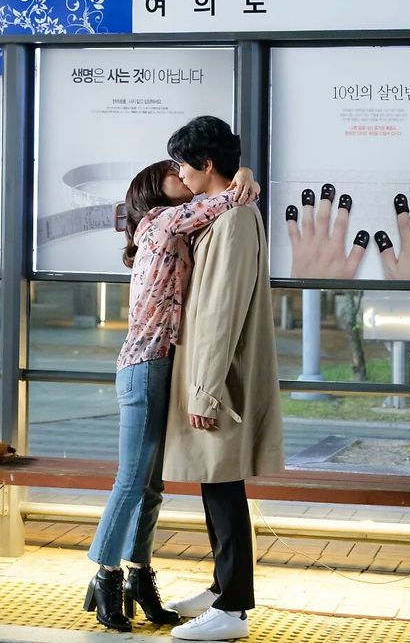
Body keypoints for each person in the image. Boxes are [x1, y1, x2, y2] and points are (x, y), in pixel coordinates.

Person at [83, 158, 259, 633]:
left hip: (164, 366)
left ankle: (139, 576)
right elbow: (225, 200)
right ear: (152, 189)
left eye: (183, 169)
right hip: (143, 367)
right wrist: (244, 177)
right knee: (132, 479)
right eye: (172, 172)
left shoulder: (178, 227)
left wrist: (240, 176)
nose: (182, 175)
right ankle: (105, 575)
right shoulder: (160, 221)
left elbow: (216, 204)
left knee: (152, 485)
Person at [162, 116, 284, 642]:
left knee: (224, 485)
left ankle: (233, 607)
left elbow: (220, 310)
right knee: (215, 482)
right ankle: (220, 590)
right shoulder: (229, 209)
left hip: (221, 378)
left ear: (207, 164)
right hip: (213, 372)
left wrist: (206, 390)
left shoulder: (234, 220)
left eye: (183, 165)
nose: (179, 174)